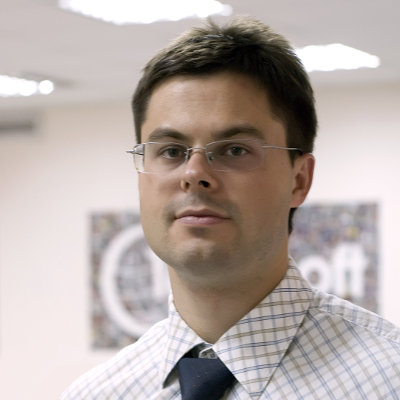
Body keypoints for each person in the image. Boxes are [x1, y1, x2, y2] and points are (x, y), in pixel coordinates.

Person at [61, 16, 400, 399]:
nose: (194, 174)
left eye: (234, 150)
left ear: (299, 180)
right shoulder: (97, 394)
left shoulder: (389, 379)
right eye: (170, 151)